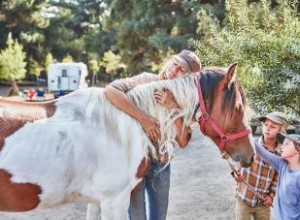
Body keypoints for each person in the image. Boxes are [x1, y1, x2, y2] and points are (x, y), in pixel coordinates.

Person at [103, 50, 201, 220]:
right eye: (175, 63)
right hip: (135, 160)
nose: (175, 68)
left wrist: (172, 106)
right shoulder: (147, 80)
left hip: (161, 164)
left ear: (187, 78)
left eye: (182, 70)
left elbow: (183, 141)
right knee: (137, 216)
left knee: (159, 217)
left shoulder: (184, 99)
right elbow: (110, 91)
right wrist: (144, 119)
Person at [234, 112, 288, 220]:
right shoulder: (251, 145)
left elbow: (277, 179)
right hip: (244, 199)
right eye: (265, 125)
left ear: (281, 131)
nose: (267, 128)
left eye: (273, 127)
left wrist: (271, 196)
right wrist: (236, 173)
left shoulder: (281, 155)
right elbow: (237, 163)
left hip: (263, 203)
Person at [254, 133, 300, 220]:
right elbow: (261, 152)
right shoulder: (282, 164)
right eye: (283, 144)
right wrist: (246, 131)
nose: (281, 147)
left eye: (287, 144)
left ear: (298, 149)